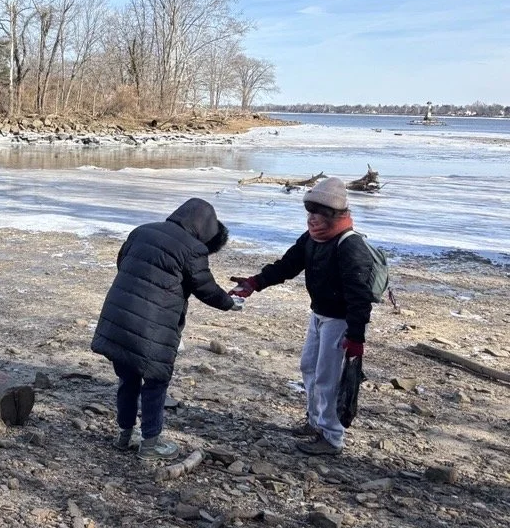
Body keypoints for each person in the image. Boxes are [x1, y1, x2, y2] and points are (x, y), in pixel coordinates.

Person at [228, 177, 373, 456]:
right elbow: (287, 265)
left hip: (340, 321)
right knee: (309, 368)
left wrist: (356, 338)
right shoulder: (312, 239)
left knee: (327, 378)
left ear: (335, 215)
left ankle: (331, 438)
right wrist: (253, 283)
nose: (312, 219)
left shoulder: (350, 246)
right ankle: (314, 422)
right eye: (310, 212)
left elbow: (360, 296)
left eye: (319, 214)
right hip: (319, 314)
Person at [91, 198, 237, 460]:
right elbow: (204, 287)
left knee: (128, 378)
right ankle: (150, 444)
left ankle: (124, 436)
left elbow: (123, 263)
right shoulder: (193, 249)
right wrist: (230, 303)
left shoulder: (142, 230)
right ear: (204, 229)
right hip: (153, 326)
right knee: (156, 381)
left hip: (119, 316)